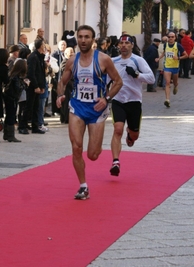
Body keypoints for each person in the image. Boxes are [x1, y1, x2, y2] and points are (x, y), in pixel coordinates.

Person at [56, 25, 123, 200]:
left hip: (96, 110)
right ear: (77, 39)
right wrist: (60, 95)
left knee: (93, 155)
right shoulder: (72, 60)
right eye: (80, 37)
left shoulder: (103, 59)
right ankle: (83, 186)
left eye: (87, 37)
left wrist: (106, 98)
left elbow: (118, 82)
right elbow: (62, 81)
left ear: (93, 39)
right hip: (77, 107)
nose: (83, 40)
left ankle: (97, 146)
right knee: (76, 148)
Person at [109, 35, 155, 176]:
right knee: (117, 129)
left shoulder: (138, 60)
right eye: (121, 43)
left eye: (127, 43)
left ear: (132, 45)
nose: (124, 45)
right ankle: (115, 162)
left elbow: (151, 78)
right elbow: (103, 77)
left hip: (134, 101)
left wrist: (136, 74)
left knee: (134, 135)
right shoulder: (112, 61)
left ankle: (131, 135)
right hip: (117, 100)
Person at [18, 39, 46, 134]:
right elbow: (31, 73)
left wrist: (42, 86)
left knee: (36, 107)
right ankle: (22, 126)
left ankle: (35, 126)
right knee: (28, 107)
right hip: (32, 86)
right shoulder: (33, 57)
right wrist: (36, 86)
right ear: (40, 46)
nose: (45, 46)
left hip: (38, 85)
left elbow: (41, 73)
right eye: (43, 44)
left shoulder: (40, 57)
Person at [159, 32, 188, 108]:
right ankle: (167, 100)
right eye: (169, 37)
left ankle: (175, 86)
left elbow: (186, 55)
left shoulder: (178, 45)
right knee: (167, 83)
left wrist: (178, 58)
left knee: (175, 82)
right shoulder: (165, 45)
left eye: (172, 37)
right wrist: (158, 58)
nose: (170, 38)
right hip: (167, 66)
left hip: (175, 67)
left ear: (175, 38)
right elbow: (164, 53)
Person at [3, 59, 28, 142]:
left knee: (9, 115)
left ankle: (6, 134)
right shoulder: (16, 77)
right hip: (12, 98)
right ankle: (10, 135)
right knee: (11, 116)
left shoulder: (13, 75)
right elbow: (18, 88)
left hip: (9, 97)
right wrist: (25, 84)